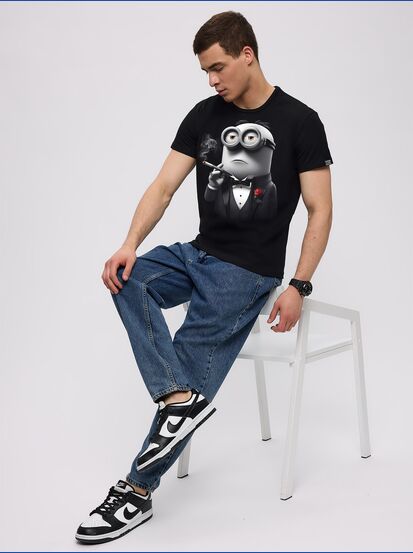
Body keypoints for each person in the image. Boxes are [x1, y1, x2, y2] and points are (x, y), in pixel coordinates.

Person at [75, 10, 333, 545]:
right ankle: (179, 400)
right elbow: (164, 186)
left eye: (218, 67)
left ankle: (136, 491)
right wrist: (129, 245)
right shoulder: (203, 115)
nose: (212, 80)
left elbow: (320, 208)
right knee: (129, 278)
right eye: (205, 72)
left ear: (247, 55)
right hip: (197, 254)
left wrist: (298, 285)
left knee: (190, 367)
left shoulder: (300, 121)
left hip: (247, 273)